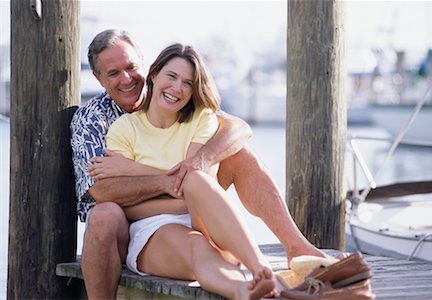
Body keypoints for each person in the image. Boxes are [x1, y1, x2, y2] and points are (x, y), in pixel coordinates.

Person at [70, 29, 330, 299]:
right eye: (113, 73)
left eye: (131, 67)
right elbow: (102, 191)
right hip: (128, 219)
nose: (127, 79)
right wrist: (178, 183)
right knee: (108, 215)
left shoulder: (177, 99)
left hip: (195, 204)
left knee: (236, 156)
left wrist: (197, 162)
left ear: (147, 67)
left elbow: (237, 128)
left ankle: (295, 248)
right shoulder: (97, 120)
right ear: (98, 78)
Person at [100, 42, 280, 299]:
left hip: (208, 220)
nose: (177, 88)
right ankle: (243, 291)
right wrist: (183, 200)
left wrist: (134, 170)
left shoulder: (201, 117)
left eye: (187, 83)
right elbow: (125, 205)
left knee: (196, 180)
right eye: (171, 76)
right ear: (154, 75)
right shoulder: (124, 129)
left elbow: (192, 185)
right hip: (153, 229)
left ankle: (260, 268)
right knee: (197, 246)